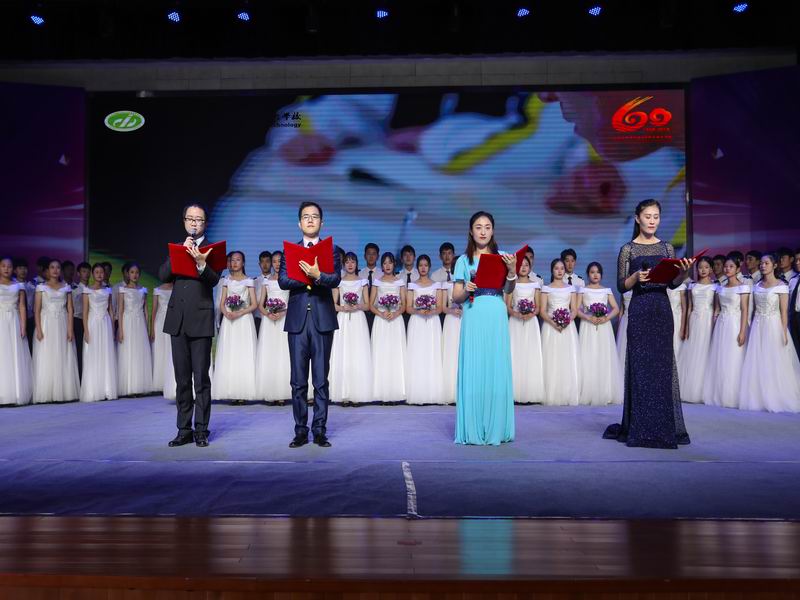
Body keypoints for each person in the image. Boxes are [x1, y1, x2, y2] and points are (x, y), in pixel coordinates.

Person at [603, 199, 694, 449]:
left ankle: (662, 428)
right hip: (640, 310)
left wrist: (685, 272)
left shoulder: (666, 248)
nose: (652, 221)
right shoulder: (628, 249)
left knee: (661, 369)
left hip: (661, 310)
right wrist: (635, 277)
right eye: (648, 216)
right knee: (640, 368)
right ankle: (640, 427)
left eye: (656, 217)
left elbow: (673, 284)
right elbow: (621, 285)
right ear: (637, 218)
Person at [278, 201, 342, 448]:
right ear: (299, 223)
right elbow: (283, 281)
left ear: (321, 222)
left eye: (315, 216)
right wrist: (308, 276)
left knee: (321, 380)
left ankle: (320, 430)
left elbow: (335, 279)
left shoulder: (332, 250)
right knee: (297, 381)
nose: (310, 220)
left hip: (322, 320)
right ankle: (300, 431)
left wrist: (319, 276)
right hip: (297, 322)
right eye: (306, 216)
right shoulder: (289, 251)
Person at [451, 211, 516, 445]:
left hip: (496, 312)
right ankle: (473, 427)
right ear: (471, 231)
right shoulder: (463, 260)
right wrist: (466, 289)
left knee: (495, 366)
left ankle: (496, 427)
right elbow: (456, 297)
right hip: (473, 312)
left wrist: (511, 271)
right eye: (478, 227)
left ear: (493, 231)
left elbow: (508, 290)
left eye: (487, 227)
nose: (483, 231)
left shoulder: (502, 257)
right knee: (475, 365)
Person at [158, 203, 220, 448]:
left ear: (205, 223)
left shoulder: (212, 249)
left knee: (201, 380)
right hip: (178, 322)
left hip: (201, 321)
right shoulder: (178, 248)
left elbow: (214, 280)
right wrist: (181, 252)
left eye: (199, 219)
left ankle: (201, 430)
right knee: (182, 380)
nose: (194, 223)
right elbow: (163, 275)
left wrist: (202, 263)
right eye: (190, 219)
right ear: (184, 221)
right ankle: (183, 429)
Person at [740, 253, 800, 412]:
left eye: (766, 263)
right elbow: (752, 309)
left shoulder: (781, 286)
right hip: (758, 326)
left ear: (774, 265)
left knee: (773, 359)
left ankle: (776, 395)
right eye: (762, 263)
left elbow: (784, 312)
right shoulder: (757, 286)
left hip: (773, 326)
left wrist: (784, 332)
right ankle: (758, 396)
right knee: (758, 360)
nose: (763, 265)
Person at [703, 258, 750, 409]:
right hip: (721, 325)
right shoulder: (720, 288)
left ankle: (733, 395)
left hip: (735, 324)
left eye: (731, 266)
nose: (727, 269)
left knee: (734, 357)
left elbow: (744, 310)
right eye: (726, 266)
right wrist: (713, 324)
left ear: (738, 269)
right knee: (720, 357)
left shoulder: (743, 287)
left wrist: (742, 331)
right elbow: (717, 310)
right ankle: (720, 393)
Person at [212, 251, 258, 403]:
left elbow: (254, 304)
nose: (235, 263)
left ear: (243, 263)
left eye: (238, 260)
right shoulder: (226, 281)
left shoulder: (249, 281)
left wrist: (240, 312)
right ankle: (230, 390)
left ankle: (244, 391)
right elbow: (222, 303)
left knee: (243, 353)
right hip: (229, 320)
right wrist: (226, 312)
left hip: (244, 320)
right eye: (232, 260)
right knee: (230, 353)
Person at [32, 259, 80, 403]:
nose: (55, 270)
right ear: (47, 270)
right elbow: (36, 310)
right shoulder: (41, 288)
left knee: (62, 355)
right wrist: (38, 329)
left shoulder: (66, 287)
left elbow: (70, 309)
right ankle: (47, 393)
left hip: (62, 324)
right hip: (46, 324)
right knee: (47, 356)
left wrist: (70, 329)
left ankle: (63, 392)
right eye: (52, 267)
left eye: (58, 267)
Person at [329, 252, 373, 405]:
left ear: (356, 264)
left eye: (352, 261)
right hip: (343, 319)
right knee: (343, 352)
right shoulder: (338, 282)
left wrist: (357, 306)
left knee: (357, 353)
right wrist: (343, 308)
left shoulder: (362, 282)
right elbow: (332, 304)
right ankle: (343, 394)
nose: (350, 264)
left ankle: (357, 394)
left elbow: (368, 305)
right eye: (347, 262)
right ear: (343, 264)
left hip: (358, 320)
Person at [577, 262, 622, 406]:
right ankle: (588, 392)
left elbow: (616, 308)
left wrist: (606, 318)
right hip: (588, 326)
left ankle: (605, 392)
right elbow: (576, 310)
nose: (595, 275)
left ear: (601, 275)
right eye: (592, 272)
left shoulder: (606, 290)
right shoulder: (583, 290)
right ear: (588, 274)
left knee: (604, 357)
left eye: (597, 272)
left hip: (603, 327)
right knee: (588, 356)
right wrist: (588, 317)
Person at [540, 259, 581, 406]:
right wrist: (554, 323)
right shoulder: (546, 288)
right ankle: (551, 393)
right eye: (556, 268)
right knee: (551, 359)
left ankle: (567, 392)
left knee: (567, 358)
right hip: (550, 327)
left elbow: (574, 310)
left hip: (567, 327)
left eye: (562, 268)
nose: (559, 271)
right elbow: (542, 311)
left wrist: (565, 322)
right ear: (552, 270)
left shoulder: (571, 288)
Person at [405, 255, 445, 405]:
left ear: (429, 267)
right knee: (417, 355)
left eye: (425, 265)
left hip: (432, 322)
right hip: (417, 322)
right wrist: (418, 311)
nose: (423, 268)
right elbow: (408, 307)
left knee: (431, 354)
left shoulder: (436, 285)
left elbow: (440, 307)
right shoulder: (412, 285)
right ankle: (417, 393)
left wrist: (430, 311)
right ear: (417, 267)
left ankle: (432, 393)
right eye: (420, 265)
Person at [506, 255, 544, 404]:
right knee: (515, 354)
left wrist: (531, 314)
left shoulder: (535, 285)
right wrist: (516, 314)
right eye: (520, 265)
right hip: (515, 322)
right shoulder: (512, 283)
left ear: (530, 267)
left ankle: (531, 392)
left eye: (526, 265)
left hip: (530, 322)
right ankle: (514, 393)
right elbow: (507, 305)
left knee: (530, 355)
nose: (523, 267)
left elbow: (538, 307)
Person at [369, 252, 407, 402]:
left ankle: (396, 392)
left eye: (390, 263)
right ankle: (380, 392)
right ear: (382, 265)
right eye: (384, 263)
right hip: (381, 321)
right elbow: (371, 305)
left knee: (395, 354)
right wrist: (381, 313)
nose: (387, 266)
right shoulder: (377, 282)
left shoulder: (400, 282)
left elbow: (404, 305)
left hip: (396, 321)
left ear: (394, 264)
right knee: (381, 354)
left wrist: (396, 313)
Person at [678, 257, 716, 404]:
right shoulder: (692, 286)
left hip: (707, 322)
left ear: (711, 269)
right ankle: (690, 389)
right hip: (694, 320)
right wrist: (686, 327)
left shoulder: (715, 287)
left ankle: (704, 391)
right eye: (700, 267)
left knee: (705, 353)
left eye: (706, 267)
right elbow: (689, 308)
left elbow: (716, 309)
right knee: (692, 353)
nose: (703, 270)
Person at [256, 250, 292, 403]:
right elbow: (260, 304)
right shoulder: (266, 281)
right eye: (275, 261)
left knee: (284, 353)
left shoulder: (289, 280)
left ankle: (283, 392)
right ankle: (270, 393)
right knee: (270, 354)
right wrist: (268, 314)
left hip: (285, 319)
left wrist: (283, 312)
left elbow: (293, 302)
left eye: (280, 261)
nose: (277, 264)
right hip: (269, 322)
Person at [79, 263, 117, 403]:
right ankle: (93, 390)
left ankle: (107, 389)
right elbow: (84, 312)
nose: (100, 274)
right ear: (93, 274)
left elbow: (111, 310)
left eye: (101, 272)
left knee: (105, 355)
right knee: (93, 355)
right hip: (93, 324)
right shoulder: (87, 291)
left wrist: (112, 328)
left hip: (105, 324)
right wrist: (86, 331)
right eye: (97, 272)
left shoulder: (108, 291)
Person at [0, 256, 32, 406]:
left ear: (13, 269)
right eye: (3, 266)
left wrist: (23, 326)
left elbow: (22, 307)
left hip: (14, 321)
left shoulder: (19, 286)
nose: (6, 269)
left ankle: (15, 393)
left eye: (9, 266)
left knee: (14, 354)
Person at [117, 263, 153, 397]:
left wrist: (147, 328)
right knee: (128, 352)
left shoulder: (143, 290)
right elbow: (120, 311)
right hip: (127, 323)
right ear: (128, 274)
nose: (134, 275)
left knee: (139, 353)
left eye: (137, 272)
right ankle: (128, 387)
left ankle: (139, 386)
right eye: (132, 272)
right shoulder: (122, 290)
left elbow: (146, 311)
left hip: (140, 324)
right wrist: (121, 330)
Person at [150, 281, 176, 400]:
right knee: (160, 351)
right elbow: (154, 311)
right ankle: (160, 382)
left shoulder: (176, 289)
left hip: (172, 320)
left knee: (170, 351)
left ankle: (171, 381)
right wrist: (152, 329)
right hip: (160, 322)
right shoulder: (157, 290)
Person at [441, 273, 462, 405]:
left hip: (464, 319)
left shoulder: (469, 285)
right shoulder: (446, 285)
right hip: (451, 320)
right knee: (450, 354)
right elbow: (443, 307)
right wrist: (451, 311)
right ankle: (450, 392)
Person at [358, 242, 381, 334]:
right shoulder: (358, 274)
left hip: (378, 313)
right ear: (364, 256)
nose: (371, 256)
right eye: (369, 254)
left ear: (378, 256)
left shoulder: (383, 275)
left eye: (374, 254)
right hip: (362, 313)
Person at [253, 250, 273, 335]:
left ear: (271, 263)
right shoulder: (254, 282)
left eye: (267, 261)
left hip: (273, 317)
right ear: (259, 264)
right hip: (258, 318)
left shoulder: (276, 281)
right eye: (262, 262)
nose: (265, 265)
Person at [789, 248, 800, 360]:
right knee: (795, 349)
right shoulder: (793, 280)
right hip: (794, 317)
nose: (797, 263)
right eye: (796, 260)